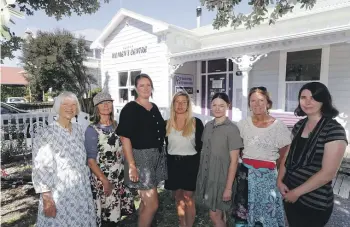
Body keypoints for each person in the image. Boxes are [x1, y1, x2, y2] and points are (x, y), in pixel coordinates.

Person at [277, 82, 348, 227]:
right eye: (303, 97)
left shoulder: (333, 130)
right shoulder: (299, 125)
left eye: (314, 97)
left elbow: (328, 173)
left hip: (314, 202)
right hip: (290, 194)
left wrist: (296, 193)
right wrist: (279, 180)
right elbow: (287, 156)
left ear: (324, 101)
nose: (307, 102)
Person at [32, 91, 96, 227]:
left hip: (80, 189)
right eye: (65, 104)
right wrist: (47, 198)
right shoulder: (46, 133)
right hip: (59, 191)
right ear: (57, 107)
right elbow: (41, 167)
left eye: (73, 104)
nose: (70, 107)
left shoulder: (79, 130)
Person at [233, 87, 291, 227]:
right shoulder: (242, 124)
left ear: (268, 103)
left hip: (268, 177)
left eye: (261, 100)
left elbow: (284, 156)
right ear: (249, 104)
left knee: (266, 217)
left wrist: (272, 174)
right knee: (244, 216)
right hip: (245, 176)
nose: (257, 104)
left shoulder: (278, 127)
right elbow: (238, 150)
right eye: (253, 100)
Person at [116, 73, 167, 227]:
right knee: (152, 204)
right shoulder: (130, 108)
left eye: (148, 85)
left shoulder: (154, 107)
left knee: (146, 202)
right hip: (141, 159)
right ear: (136, 89)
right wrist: (132, 166)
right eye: (141, 85)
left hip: (155, 156)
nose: (145, 88)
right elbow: (125, 138)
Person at [85, 92, 135, 227]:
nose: (106, 105)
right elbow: (91, 161)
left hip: (118, 177)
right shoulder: (92, 130)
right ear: (96, 108)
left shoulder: (116, 125)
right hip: (103, 179)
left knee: (116, 217)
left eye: (108, 102)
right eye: (102, 103)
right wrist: (105, 181)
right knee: (107, 219)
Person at [196, 92, 243, 227]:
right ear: (210, 106)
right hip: (208, 175)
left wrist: (228, 188)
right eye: (214, 105)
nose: (217, 108)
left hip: (221, 179)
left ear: (228, 106)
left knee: (214, 214)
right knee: (220, 214)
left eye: (221, 105)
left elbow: (234, 161)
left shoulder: (232, 129)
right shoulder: (208, 126)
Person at [164, 91, 204, 227]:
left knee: (188, 197)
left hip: (190, 163)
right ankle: (182, 224)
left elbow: (201, 146)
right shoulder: (167, 123)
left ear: (188, 105)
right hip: (173, 164)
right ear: (173, 104)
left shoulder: (195, 122)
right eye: (177, 102)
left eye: (183, 102)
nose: (180, 105)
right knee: (178, 197)